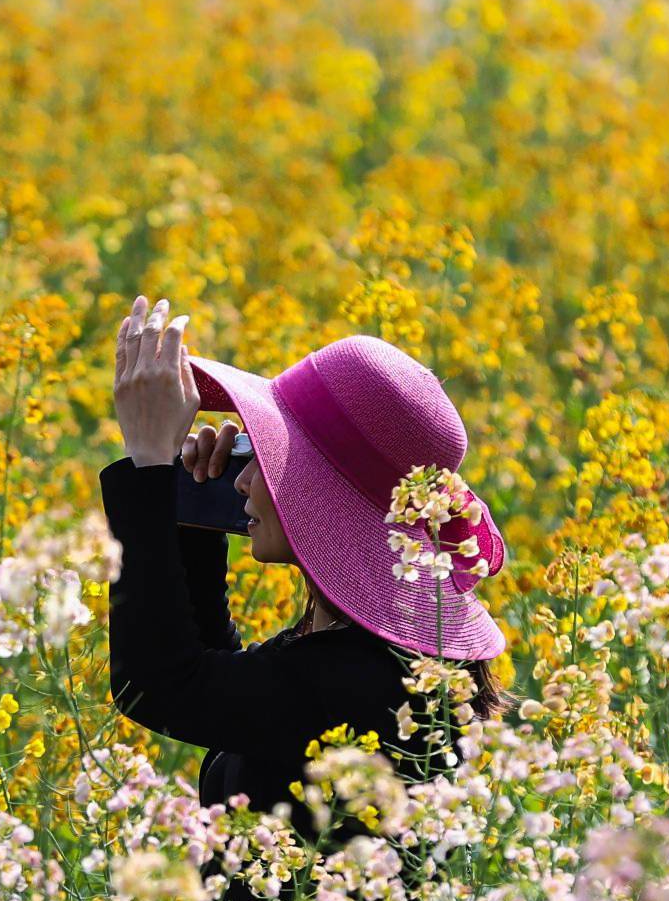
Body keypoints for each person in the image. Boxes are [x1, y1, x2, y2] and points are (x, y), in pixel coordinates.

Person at [98, 297, 508, 841]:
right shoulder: (371, 659)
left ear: (325, 495)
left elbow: (160, 686)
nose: (244, 479)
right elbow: (221, 686)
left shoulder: (362, 681)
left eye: (272, 457)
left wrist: (149, 468)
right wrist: (186, 512)